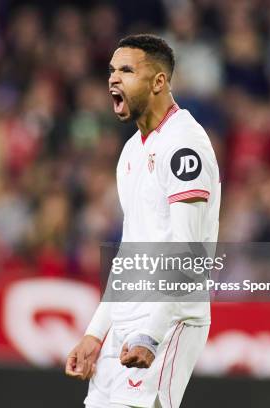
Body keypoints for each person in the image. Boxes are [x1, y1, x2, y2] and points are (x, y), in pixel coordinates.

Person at [65, 34, 221, 408]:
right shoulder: (132, 151)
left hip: (168, 320)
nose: (113, 79)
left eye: (127, 70)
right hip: (124, 320)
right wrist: (95, 332)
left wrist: (150, 334)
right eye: (112, 70)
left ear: (158, 82)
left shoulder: (185, 145)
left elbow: (188, 252)